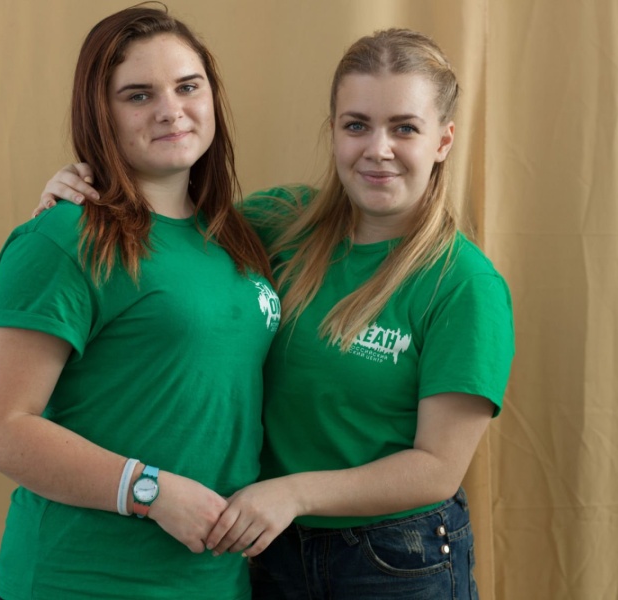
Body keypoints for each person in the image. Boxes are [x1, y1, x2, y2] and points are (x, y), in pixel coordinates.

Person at [37, 28, 514, 600]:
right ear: (333, 132)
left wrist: (294, 493)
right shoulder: (276, 223)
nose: (378, 149)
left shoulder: (464, 285)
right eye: (356, 125)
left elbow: (436, 467)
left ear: (443, 140)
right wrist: (81, 191)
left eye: (405, 128)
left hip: (394, 560)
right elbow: (166, 243)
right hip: (264, 548)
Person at [0, 6, 279, 600]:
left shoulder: (239, 235)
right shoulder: (62, 238)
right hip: (84, 579)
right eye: (138, 95)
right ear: (100, 113)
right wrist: (150, 491)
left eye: (188, 86)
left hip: (212, 579)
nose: (171, 110)